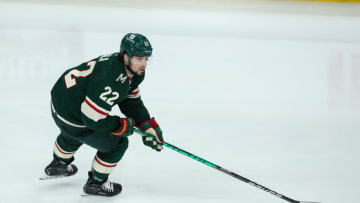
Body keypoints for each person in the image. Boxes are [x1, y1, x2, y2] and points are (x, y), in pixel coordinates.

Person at [43, 33, 164, 197]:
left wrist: (145, 124)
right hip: (72, 114)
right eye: (139, 58)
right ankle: (96, 183)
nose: (144, 64)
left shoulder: (125, 68)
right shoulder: (112, 79)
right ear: (126, 56)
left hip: (62, 102)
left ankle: (58, 164)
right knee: (118, 143)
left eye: (146, 58)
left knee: (73, 132)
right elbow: (91, 119)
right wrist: (120, 126)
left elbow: (131, 101)